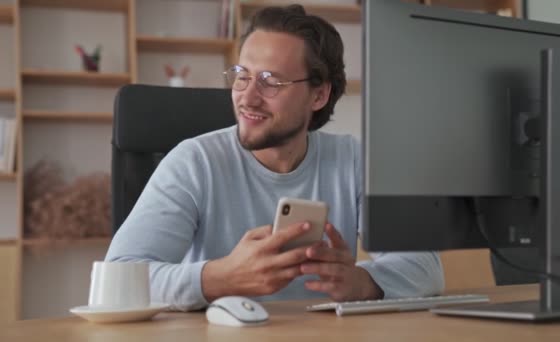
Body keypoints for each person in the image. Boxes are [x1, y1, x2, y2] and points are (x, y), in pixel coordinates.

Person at [106, 4, 444, 311]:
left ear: (319, 94)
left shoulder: (353, 160)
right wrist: (221, 277)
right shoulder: (194, 162)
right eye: (242, 76)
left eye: (271, 81)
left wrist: (360, 282)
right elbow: (118, 277)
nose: (248, 98)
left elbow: (426, 268)